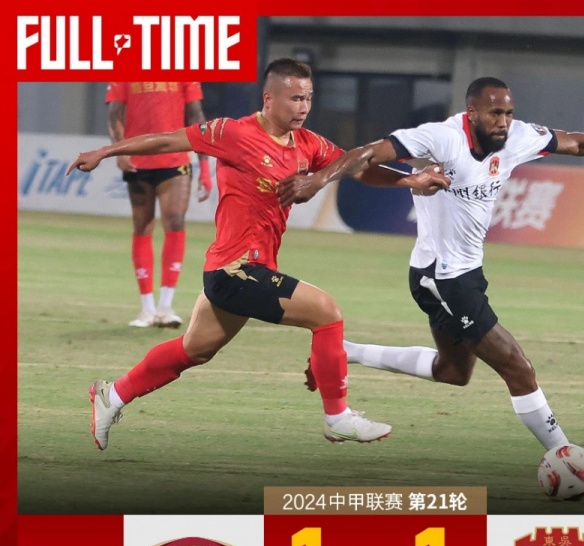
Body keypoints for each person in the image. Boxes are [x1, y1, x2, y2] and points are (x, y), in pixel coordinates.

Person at [278, 77, 584, 492]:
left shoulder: (517, 137)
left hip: (465, 275)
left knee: (453, 371)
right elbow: (366, 155)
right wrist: (318, 180)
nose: (504, 121)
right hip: (443, 279)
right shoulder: (441, 138)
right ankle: (574, 463)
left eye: (508, 113)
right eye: (495, 113)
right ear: (472, 113)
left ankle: (345, 352)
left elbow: (578, 143)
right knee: (518, 367)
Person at [68, 59, 449, 451]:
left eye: (308, 98)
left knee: (193, 350)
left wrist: (412, 179)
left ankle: (111, 396)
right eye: (295, 98)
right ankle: (338, 418)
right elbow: (167, 140)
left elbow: (355, 167)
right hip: (234, 269)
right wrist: (107, 151)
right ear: (269, 99)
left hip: (249, 269)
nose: (303, 107)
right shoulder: (232, 133)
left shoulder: (307, 144)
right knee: (327, 313)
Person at [106, 81, 213, 328]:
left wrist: (205, 167)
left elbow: (196, 116)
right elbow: (114, 115)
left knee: (175, 221)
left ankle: (166, 307)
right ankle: (147, 309)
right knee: (142, 225)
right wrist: (120, 151)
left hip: (175, 159)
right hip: (138, 158)